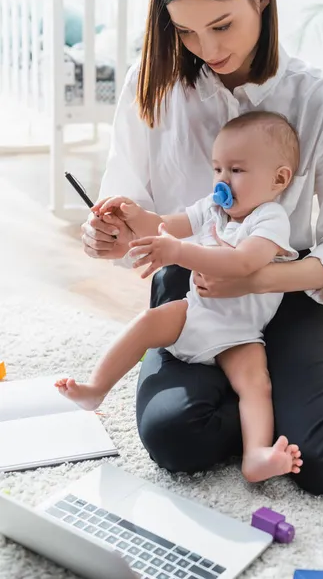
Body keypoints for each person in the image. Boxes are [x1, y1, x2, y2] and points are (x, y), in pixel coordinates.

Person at [80, 0, 323, 495]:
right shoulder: (151, 85)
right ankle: (293, 391)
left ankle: (300, 393)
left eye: (221, 25)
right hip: (194, 295)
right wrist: (107, 233)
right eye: (185, 31)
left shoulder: (320, 101)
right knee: (174, 437)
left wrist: (255, 279)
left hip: (287, 286)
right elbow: (136, 214)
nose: (208, 50)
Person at [56, 111, 304, 483]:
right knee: (146, 323)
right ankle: (96, 389)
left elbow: (242, 262)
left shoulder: (269, 219)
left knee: (255, 384)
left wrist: (177, 253)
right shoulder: (212, 207)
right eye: (218, 169)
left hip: (240, 332)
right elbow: (166, 225)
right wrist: (133, 213)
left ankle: (256, 456)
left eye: (236, 171)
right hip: (196, 312)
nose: (222, 180)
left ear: (278, 179)